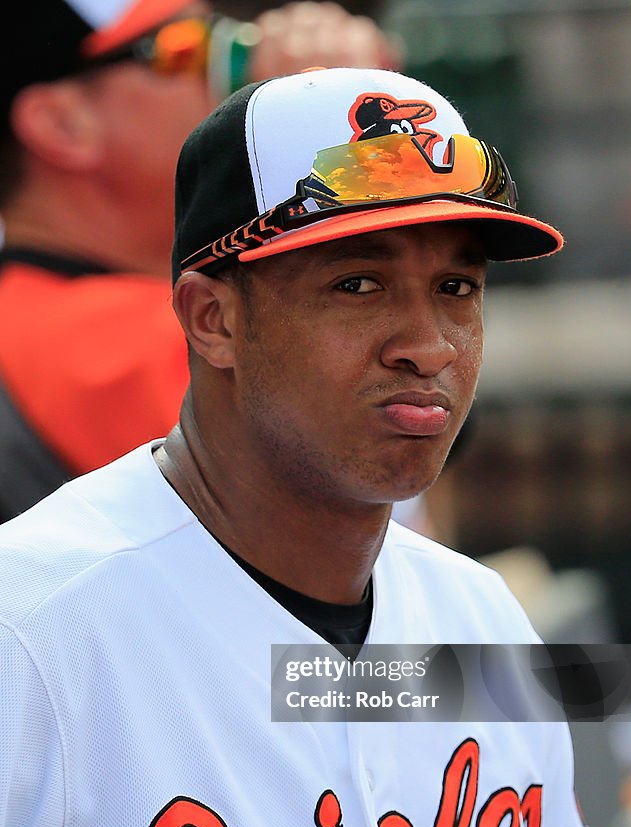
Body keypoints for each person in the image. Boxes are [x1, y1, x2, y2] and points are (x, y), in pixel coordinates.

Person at [0, 65, 631, 827]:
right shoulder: (33, 625)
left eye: (455, 287)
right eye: (357, 284)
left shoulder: (471, 614)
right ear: (214, 318)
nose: (427, 342)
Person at [0, 0, 396, 522]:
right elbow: (391, 438)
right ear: (62, 124)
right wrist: (333, 130)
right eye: (189, 49)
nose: (233, 76)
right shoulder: (88, 338)